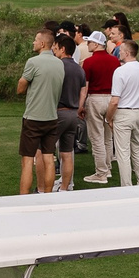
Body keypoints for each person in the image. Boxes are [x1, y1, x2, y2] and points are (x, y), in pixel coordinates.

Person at [14, 25, 64, 195]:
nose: (33, 42)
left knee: (27, 160)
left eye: (35, 40)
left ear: (42, 44)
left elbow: (21, 86)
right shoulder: (60, 63)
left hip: (33, 118)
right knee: (49, 158)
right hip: (52, 117)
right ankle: (48, 195)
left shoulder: (33, 62)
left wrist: (25, 86)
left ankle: (23, 197)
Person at [108, 35, 139, 187]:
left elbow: (114, 100)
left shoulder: (120, 71)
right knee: (137, 149)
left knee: (123, 152)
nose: (119, 53)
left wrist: (109, 118)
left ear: (127, 53)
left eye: (121, 51)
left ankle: (126, 186)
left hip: (124, 113)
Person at [78, 30, 119, 183]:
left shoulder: (89, 62)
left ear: (96, 44)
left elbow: (85, 88)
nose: (87, 44)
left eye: (89, 42)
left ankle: (101, 172)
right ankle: (107, 168)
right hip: (111, 99)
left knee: (96, 138)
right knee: (108, 137)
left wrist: (80, 106)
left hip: (95, 99)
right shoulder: (114, 61)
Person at [54, 29, 86, 191]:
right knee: (67, 153)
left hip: (58, 112)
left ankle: (44, 187)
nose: (54, 50)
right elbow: (83, 90)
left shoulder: (58, 66)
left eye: (56, 47)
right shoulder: (79, 69)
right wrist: (80, 106)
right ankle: (65, 187)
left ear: (63, 49)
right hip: (73, 113)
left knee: (45, 151)